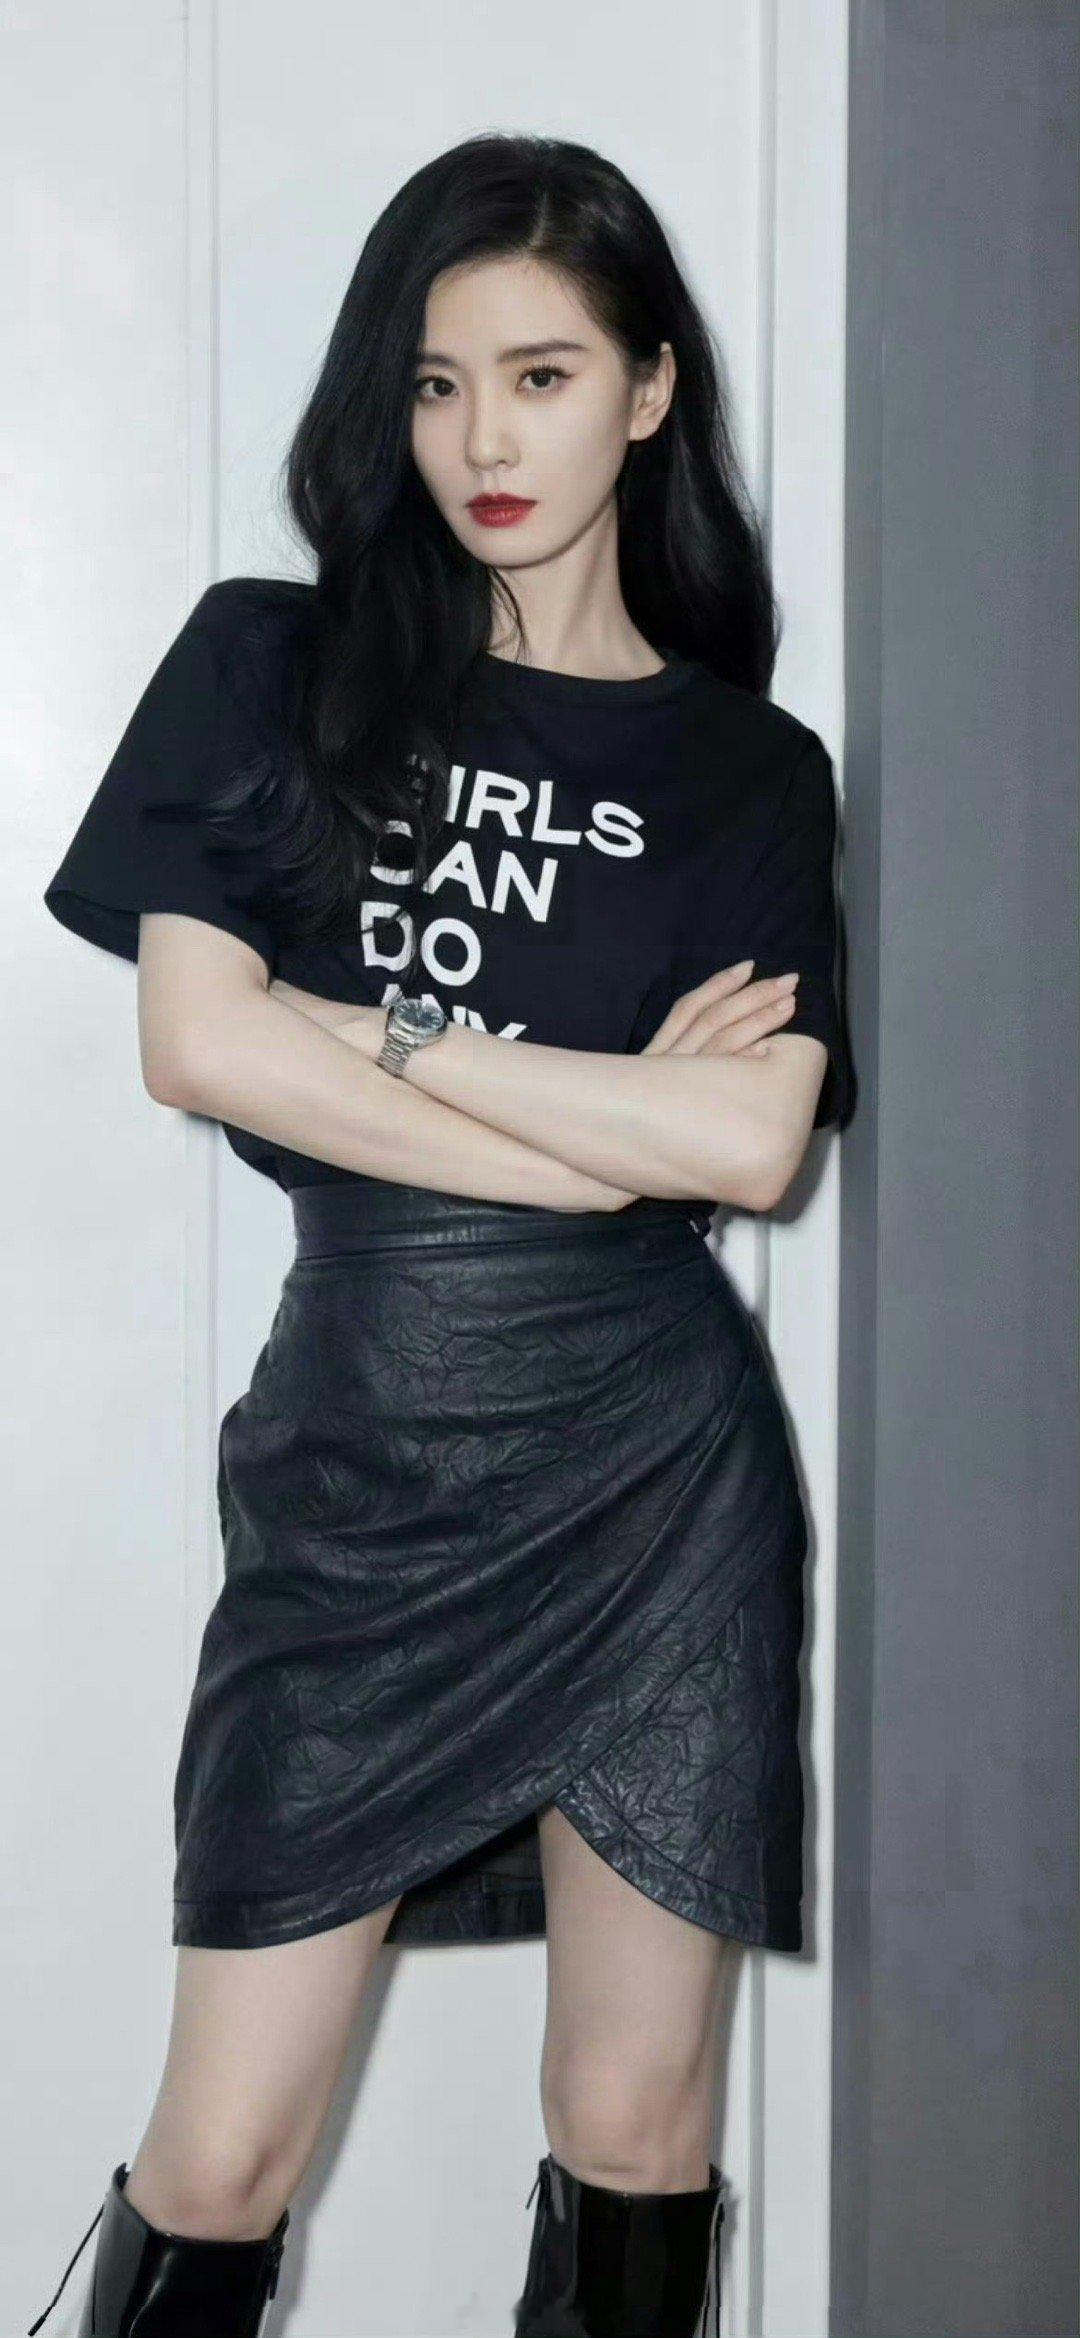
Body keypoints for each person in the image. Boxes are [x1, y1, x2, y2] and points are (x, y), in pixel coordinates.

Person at [29, 130, 854, 2338]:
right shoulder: (273, 664)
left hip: (655, 1481)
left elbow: (748, 1137)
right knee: (224, 2149)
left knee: (638, 2121)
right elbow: (196, 1043)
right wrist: (593, 1134)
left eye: (542, 376)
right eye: (434, 383)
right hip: (365, 1461)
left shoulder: (748, 771)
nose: (484, 439)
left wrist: (382, 1031)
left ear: (648, 392)